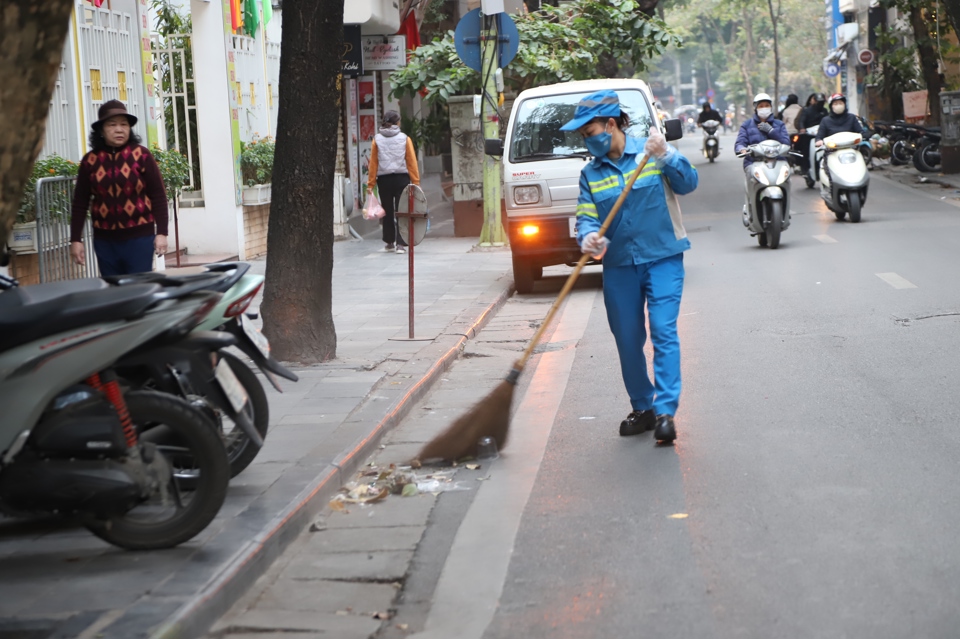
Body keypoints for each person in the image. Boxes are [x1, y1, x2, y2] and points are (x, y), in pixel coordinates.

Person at [561, 90, 698, 443]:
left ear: (610, 124)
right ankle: (644, 405)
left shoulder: (651, 151)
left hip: (663, 256)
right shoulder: (590, 174)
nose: (587, 141)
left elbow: (689, 182)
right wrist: (589, 239)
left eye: (590, 133)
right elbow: (587, 217)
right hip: (620, 265)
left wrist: (667, 154)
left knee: (664, 331)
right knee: (627, 337)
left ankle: (666, 411)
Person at [70, 100, 167, 276]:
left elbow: (158, 196)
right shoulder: (90, 161)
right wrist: (75, 239)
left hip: (140, 238)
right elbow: (80, 203)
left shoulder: (142, 156)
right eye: (112, 125)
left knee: (138, 289)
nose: (119, 129)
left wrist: (162, 233)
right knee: (114, 292)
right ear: (101, 130)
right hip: (104, 241)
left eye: (124, 124)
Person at [367, 110, 420, 253]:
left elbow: (373, 164)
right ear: (397, 122)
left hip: (384, 180)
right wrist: (416, 182)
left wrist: (371, 183)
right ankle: (401, 244)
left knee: (387, 211)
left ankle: (389, 241)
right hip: (402, 178)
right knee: (402, 210)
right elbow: (411, 162)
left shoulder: (376, 139)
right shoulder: (405, 138)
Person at [734, 92, 791, 168]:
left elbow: (786, 143)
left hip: (778, 162)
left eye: (767, 105)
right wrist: (741, 149)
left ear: (771, 107)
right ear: (756, 108)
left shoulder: (780, 124)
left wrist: (771, 131)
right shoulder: (746, 125)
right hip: (754, 163)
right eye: (761, 106)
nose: (764, 108)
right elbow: (740, 142)